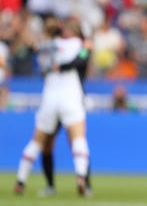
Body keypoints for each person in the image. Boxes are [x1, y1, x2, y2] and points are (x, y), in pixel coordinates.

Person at [14, 18, 91, 196]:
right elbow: (82, 57)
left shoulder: (44, 46)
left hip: (49, 96)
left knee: (38, 141)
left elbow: (24, 51)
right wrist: (86, 46)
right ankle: (80, 176)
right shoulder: (76, 43)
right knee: (78, 138)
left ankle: (21, 180)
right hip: (70, 96)